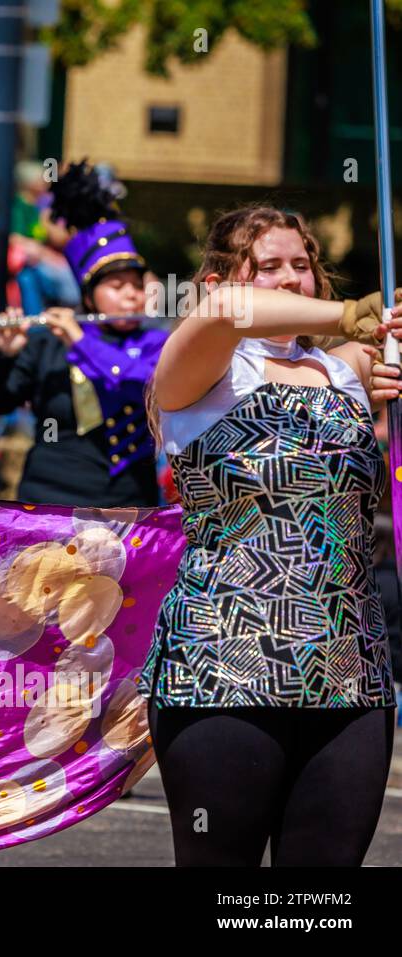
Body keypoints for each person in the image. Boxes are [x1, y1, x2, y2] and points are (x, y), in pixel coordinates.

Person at [140, 204, 402, 866]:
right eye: (268, 266)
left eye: (302, 265)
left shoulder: (347, 369)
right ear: (224, 276)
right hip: (223, 669)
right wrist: (350, 313)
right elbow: (230, 312)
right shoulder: (199, 368)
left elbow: (372, 347)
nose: (290, 279)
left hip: (350, 674)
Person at [0, 160, 166, 507]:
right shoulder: (47, 342)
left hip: (131, 505)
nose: (131, 295)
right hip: (50, 500)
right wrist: (6, 355)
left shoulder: (155, 342)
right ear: (88, 297)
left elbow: (140, 383)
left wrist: (80, 339)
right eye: (117, 286)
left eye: (137, 285)